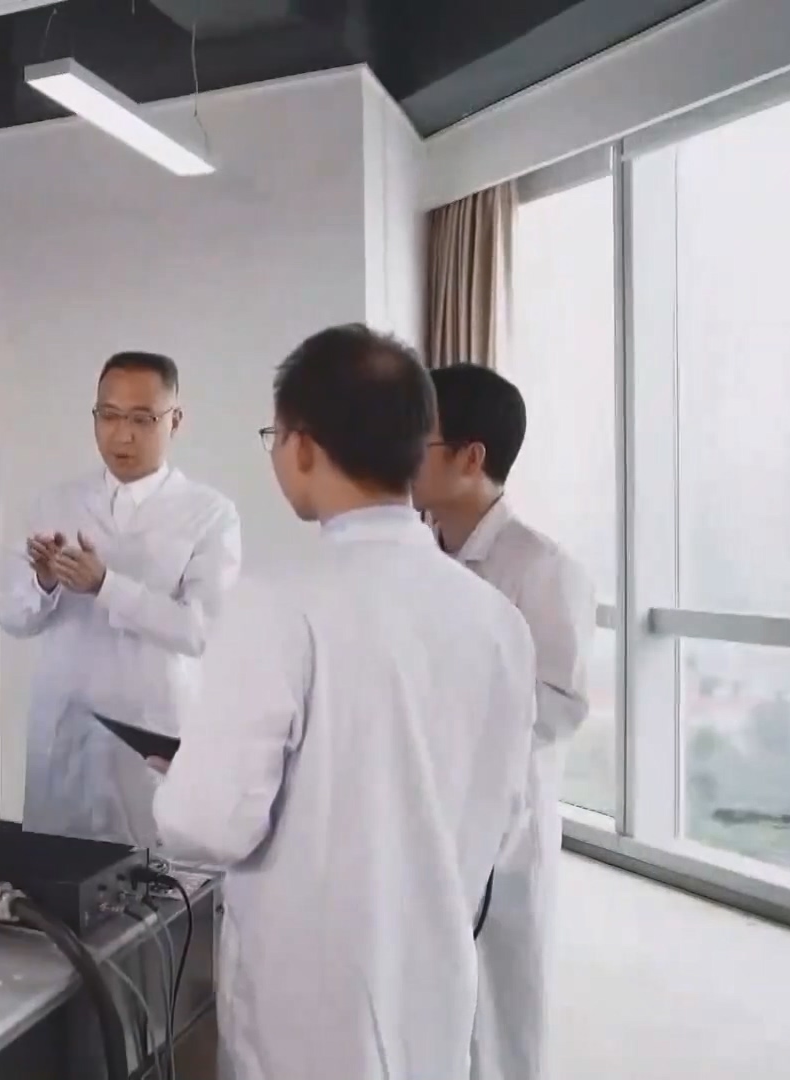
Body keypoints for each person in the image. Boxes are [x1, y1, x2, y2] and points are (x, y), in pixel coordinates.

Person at [150, 325, 537, 1080]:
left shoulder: (278, 601)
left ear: (301, 445)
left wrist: (188, 776)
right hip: (433, 991)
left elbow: (205, 825)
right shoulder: (497, 621)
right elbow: (505, 816)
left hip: (308, 1006)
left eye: (274, 436)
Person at [415, 364, 597, 1080]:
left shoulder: (542, 566)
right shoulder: (415, 557)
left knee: (500, 1018)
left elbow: (560, 705)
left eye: (419, 439)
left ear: (471, 457)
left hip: (505, 830)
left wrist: (455, 707)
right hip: (427, 816)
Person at [0, 350, 242, 847]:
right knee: (55, 872)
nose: (122, 435)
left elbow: (202, 630)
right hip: (66, 727)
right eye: (108, 416)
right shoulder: (55, 502)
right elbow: (12, 616)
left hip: (149, 732)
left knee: (155, 876)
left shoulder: (208, 513)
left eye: (141, 419)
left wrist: (106, 586)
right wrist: (45, 583)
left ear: (175, 420)